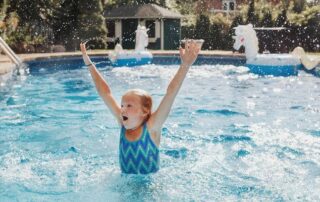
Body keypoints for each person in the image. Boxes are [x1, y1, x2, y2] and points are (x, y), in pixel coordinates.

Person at [80, 40, 201, 174]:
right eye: (122, 105)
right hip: (125, 184)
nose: (123, 109)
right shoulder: (122, 122)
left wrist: (185, 66)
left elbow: (171, 93)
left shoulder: (152, 126)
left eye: (129, 105)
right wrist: (89, 64)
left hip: (150, 188)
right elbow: (105, 93)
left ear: (144, 111)